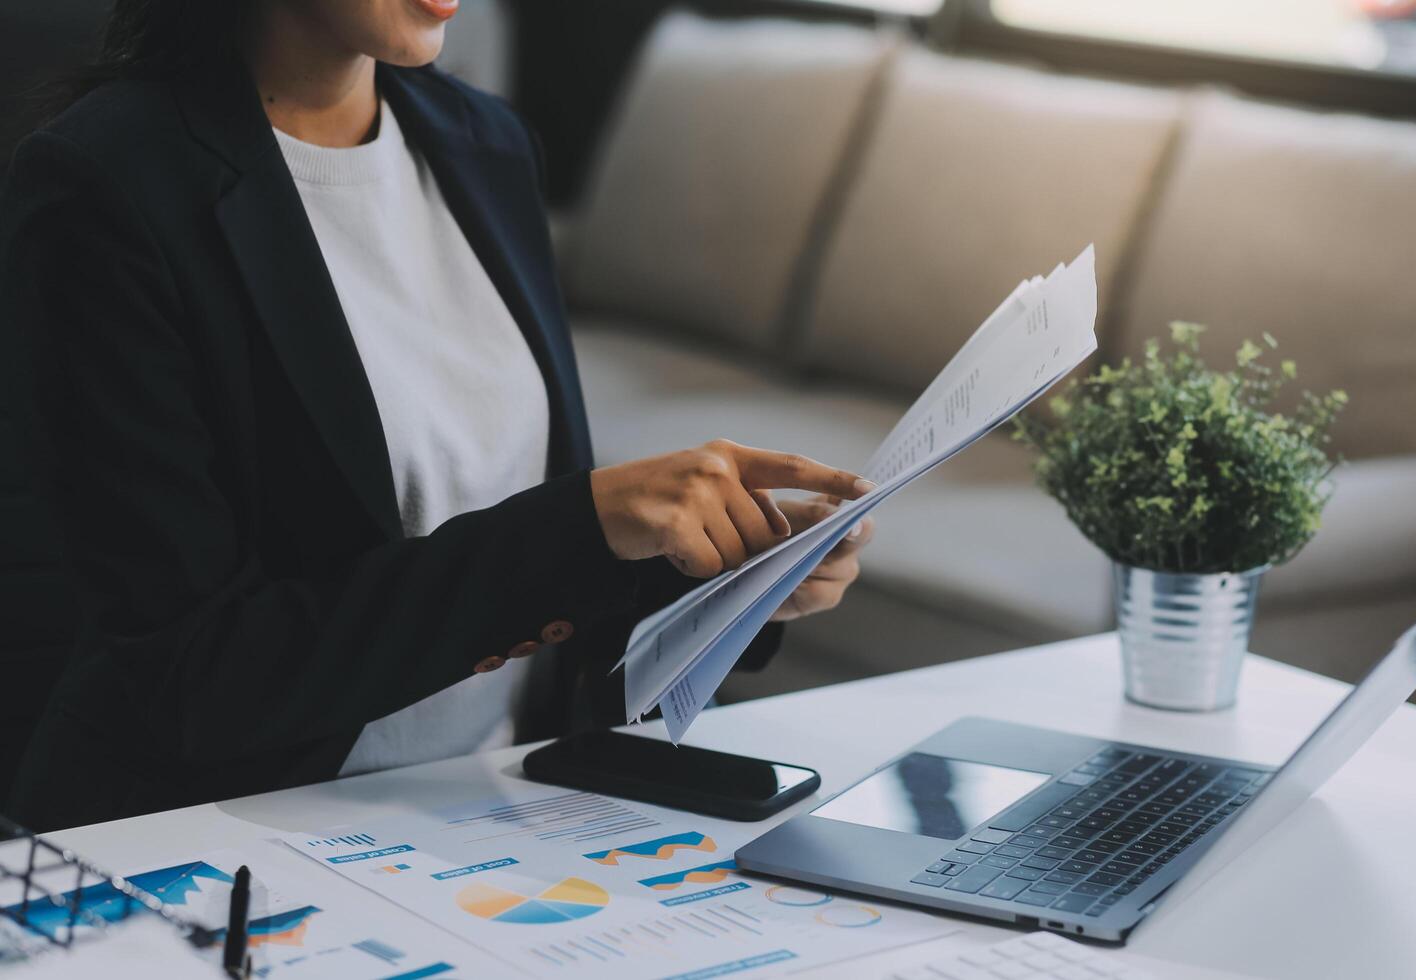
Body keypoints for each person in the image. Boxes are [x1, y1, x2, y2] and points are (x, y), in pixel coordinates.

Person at [0, 0, 874, 831]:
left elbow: (533, 570)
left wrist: (726, 574)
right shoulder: (106, 186)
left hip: (506, 808)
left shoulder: (483, 143)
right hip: (241, 835)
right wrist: (583, 523)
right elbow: (190, 676)